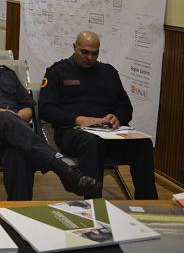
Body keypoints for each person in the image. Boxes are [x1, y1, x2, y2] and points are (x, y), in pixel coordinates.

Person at [0, 29, 102, 200]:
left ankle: (18, 209)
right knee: (4, 119)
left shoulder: (7, 76)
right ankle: (65, 171)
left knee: (18, 152)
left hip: (12, 137)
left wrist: (15, 119)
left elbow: (28, 109)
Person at [39, 31, 158, 199]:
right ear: (74, 47)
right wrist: (78, 119)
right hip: (72, 131)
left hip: (108, 133)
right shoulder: (58, 72)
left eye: (94, 53)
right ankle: (94, 202)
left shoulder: (108, 73)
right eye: (85, 52)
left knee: (143, 143)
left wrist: (117, 117)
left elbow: (126, 107)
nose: (89, 58)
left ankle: (148, 203)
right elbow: (45, 108)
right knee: (91, 142)